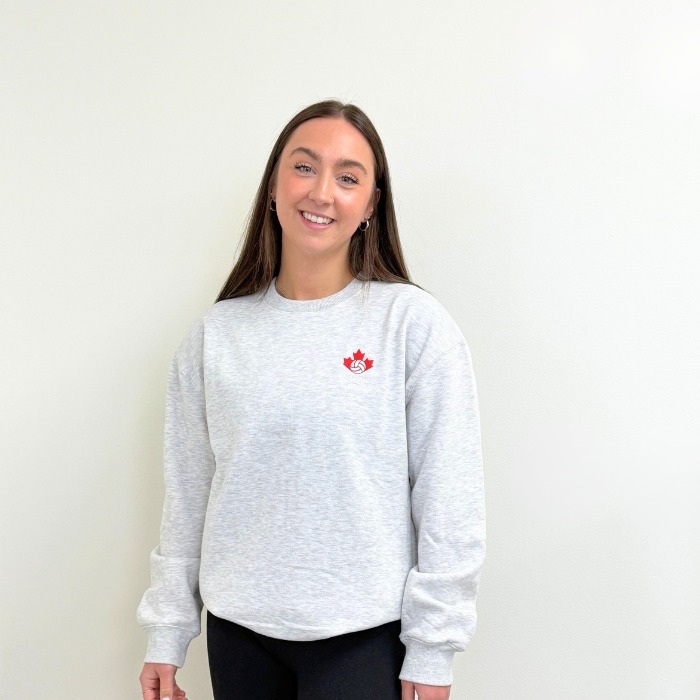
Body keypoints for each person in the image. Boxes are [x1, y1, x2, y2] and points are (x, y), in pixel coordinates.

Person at [137, 100, 486, 700]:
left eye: (348, 177)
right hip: (238, 635)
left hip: (363, 639)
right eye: (304, 167)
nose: (321, 192)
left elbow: (449, 497)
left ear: (371, 204)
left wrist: (433, 649)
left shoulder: (411, 325)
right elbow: (189, 493)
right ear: (274, 185)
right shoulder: (216, 335)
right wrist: (167, 632)